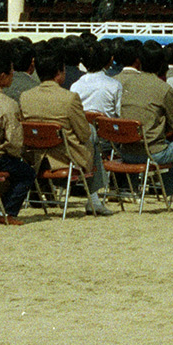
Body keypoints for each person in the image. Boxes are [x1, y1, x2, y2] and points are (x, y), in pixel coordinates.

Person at [17, 46, 112, 217]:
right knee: (92, 135)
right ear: (59, 73)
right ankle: (94, 199)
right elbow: (84, 133)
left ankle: (93, 199)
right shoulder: (69, 98)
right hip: (65, 157)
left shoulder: (25, 97)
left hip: (36, 157)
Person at [116, 43, 173, 211]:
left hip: (127, 151)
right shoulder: (164, 88)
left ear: (140, 61)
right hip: (151, 153)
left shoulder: (127, 84)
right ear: (161, 64)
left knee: (167, 147)